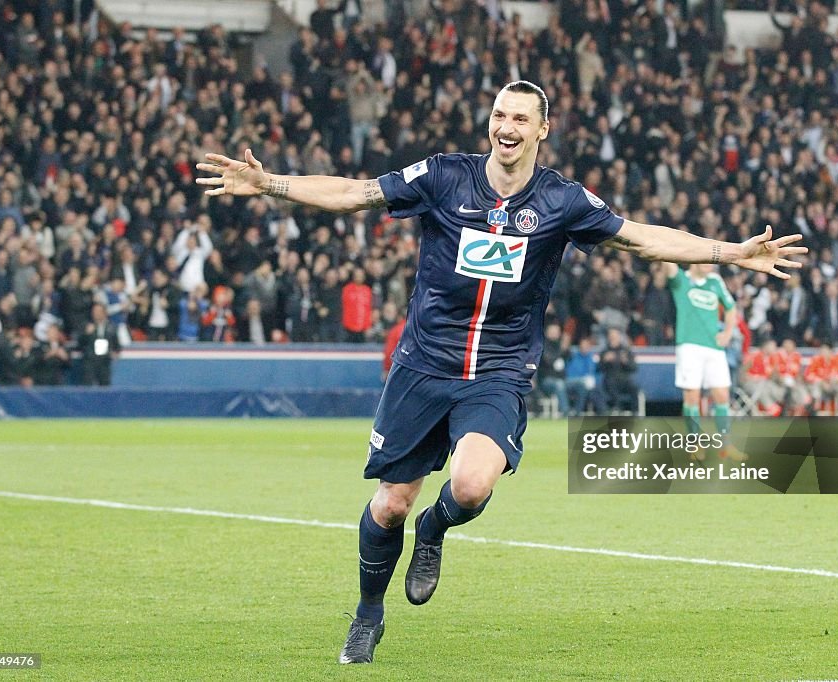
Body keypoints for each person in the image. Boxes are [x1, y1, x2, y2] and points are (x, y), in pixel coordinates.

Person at [196, 80, 806, 665]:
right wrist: (270, 183)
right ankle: (367, 612)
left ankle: (434, 531)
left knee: (470, 486)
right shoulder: (442, 176)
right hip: (424, 365)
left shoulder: (562, 201)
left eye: (519, 118)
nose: (505, 126)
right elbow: (356, 192)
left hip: (499, 370)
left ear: (542, 130)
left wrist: (731, 252)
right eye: (498, 115)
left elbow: (641, 239)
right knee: (388, 507)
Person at [663, 260, 745, 461]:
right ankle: (694, 444)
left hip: (714, 347)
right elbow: (666, 261)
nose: (710, 264)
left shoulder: (715, 281)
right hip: (689, 346)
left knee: (722, 396)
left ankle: (725, 445)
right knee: (692, 396)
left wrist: (727, 333)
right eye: (705, 259)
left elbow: (731, 308)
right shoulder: (681, 279)